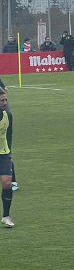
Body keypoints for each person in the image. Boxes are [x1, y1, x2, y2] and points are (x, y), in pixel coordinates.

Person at [0, 93, 13, 228]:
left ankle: (6, 216)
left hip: (3, 154)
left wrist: (10, 151)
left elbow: (9, 134)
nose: (5, 103)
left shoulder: (8, 116)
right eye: (2, 101)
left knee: (7, 183)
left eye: (6, 100)